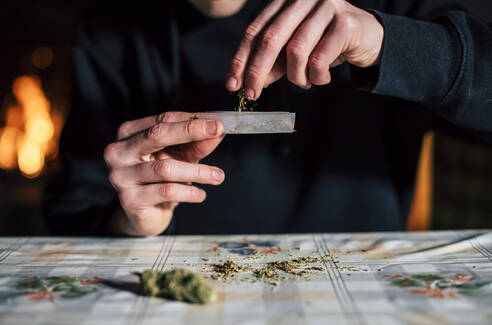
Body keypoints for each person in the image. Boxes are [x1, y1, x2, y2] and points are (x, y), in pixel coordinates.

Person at [44, 0, 492, 236]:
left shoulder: (386, 1)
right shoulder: (107, 31)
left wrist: (384, 43)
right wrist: (132, 221)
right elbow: (74, 211)